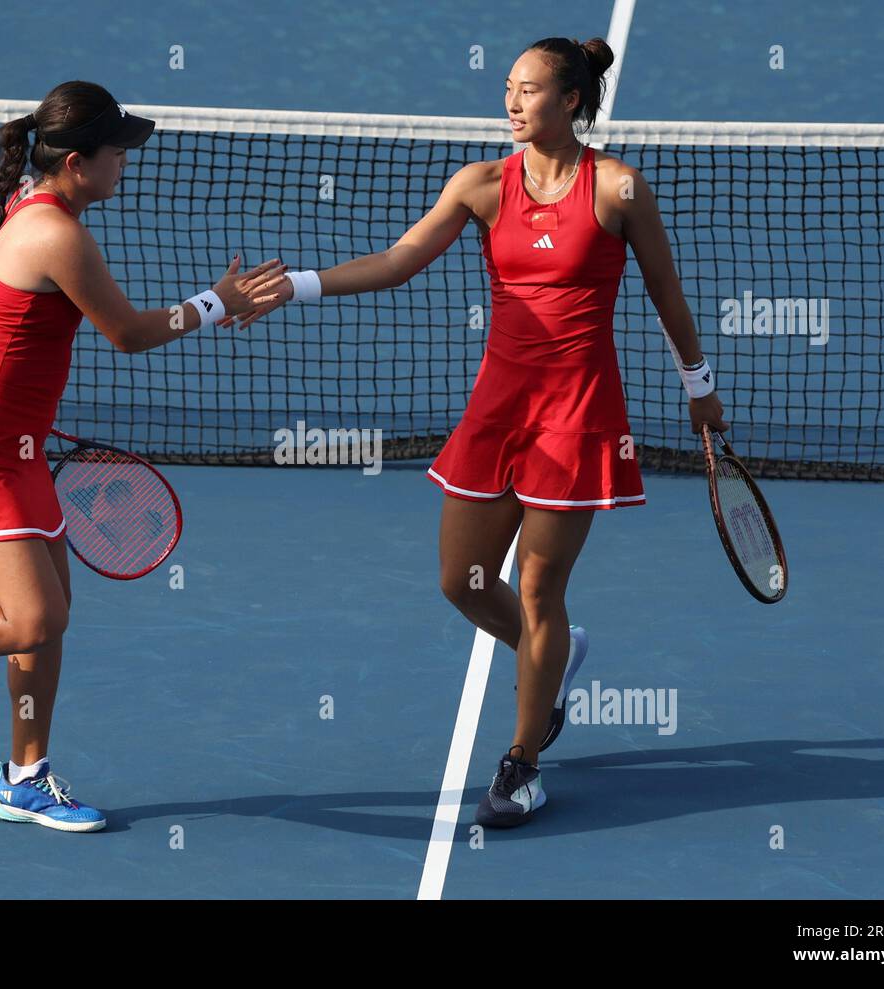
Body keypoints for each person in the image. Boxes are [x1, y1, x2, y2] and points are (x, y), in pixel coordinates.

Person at [230, 38, 727, 827]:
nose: (512, 102)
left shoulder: (619, 190)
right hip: (496, 411)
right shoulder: (482, 184)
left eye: (530, 91)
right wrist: (297, 286)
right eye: (508, 88)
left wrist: (699, 388)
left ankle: (523, 761)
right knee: (459, 579)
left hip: (576, 417)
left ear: (570, 101)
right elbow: (400, 260)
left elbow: (666, 292)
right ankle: (557, 657)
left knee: (537, 590)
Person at [0, 80, 286, 833]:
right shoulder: (54, 233)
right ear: (80, 163)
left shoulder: (38, 207)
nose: (126, 162)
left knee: (50, 622)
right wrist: (222, 300)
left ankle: (23, 777)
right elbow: (127, 333)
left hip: (13, 449)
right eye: (118, 151)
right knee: (33, 619)